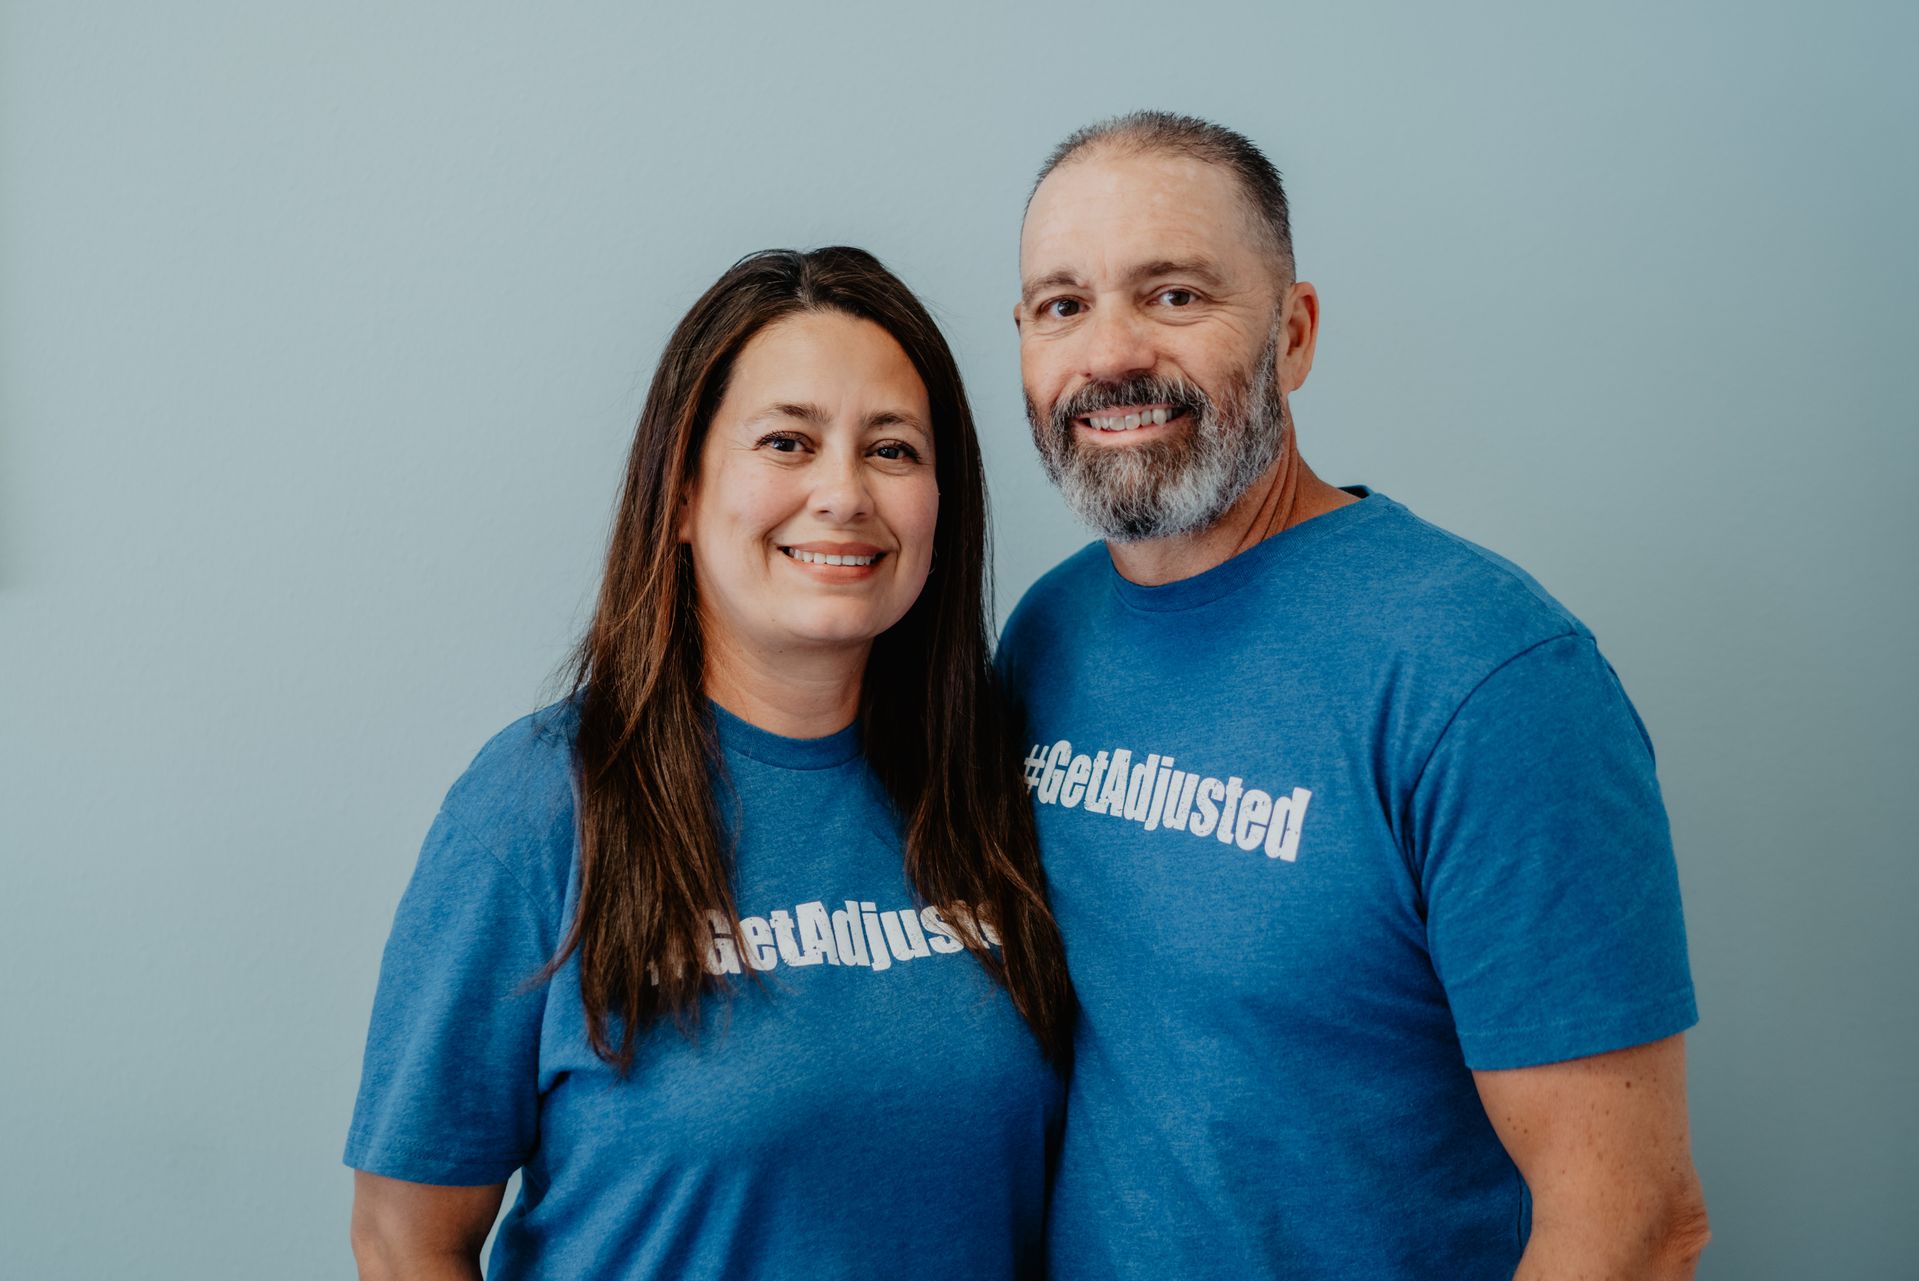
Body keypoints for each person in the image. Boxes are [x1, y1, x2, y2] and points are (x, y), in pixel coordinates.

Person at [998, 111, 1710, 1279]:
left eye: (1174, 296)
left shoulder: (1487, 678)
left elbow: (1634, 1222)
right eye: (1063, 306)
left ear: (1294, 335)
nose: (1110, 354)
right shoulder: (1046, 637)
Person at [345, 247, 1074, 1280]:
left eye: (895, 451)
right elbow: (402, 1238)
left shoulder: (1000, 793)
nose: (843, 494)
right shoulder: (540, 804)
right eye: (787, 441)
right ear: (681, 496)